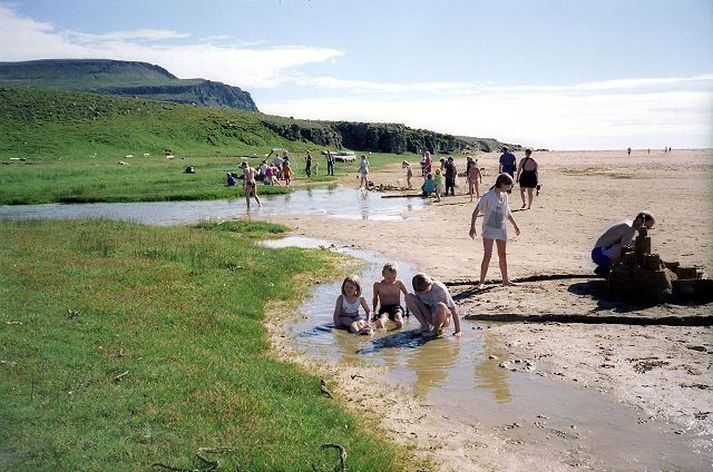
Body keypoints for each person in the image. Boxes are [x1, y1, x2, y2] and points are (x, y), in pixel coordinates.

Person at [469, 173, 521, 289]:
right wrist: (472, 227)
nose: (510, 188)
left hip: (501, 229)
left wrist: (515, 226)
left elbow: (507, 212)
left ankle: (505, 280)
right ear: (502, 184)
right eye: (509, 186)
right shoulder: (488, 196)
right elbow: (475, 212)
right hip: (489, 229)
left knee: (502, 255)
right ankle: (481, 282)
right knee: (487, 255)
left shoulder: (505, 196)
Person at [591, 212, 656, 277]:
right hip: (600, 254)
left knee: (634, 244)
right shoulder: (628, 228)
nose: (646, 230)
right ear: (639, 220)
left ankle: (603, 268)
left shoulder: (630, 226)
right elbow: (625, 247)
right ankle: (613, 271)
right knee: (625, 248)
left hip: (600, 253)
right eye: (647, 227)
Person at [372, 262, 409, 330]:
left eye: (394, 277)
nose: (391, 280)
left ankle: (398, 324)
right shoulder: (378, 285)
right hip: (384, 308)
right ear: (383, 274)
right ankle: (381, 324)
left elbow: (407, 296)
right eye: (388, 278)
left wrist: (407, 310)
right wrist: (374, 312)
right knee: (383, 317)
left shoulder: (399, 283)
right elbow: (375, 299)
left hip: (396, 307)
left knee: (398, 316)